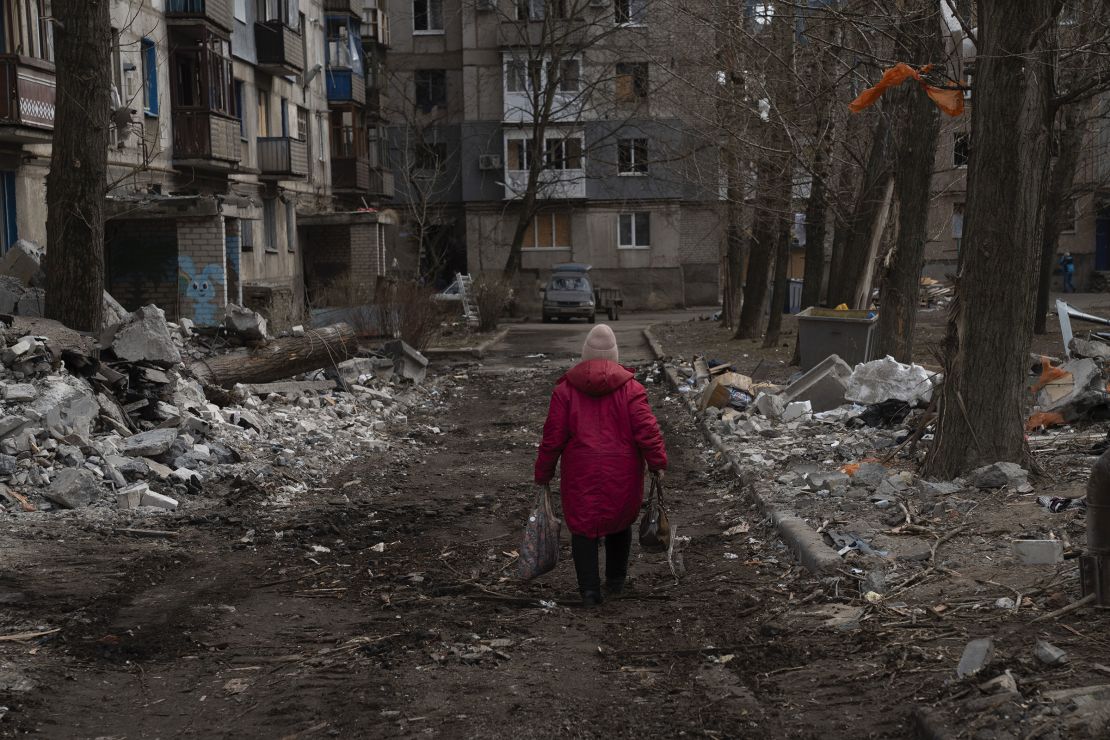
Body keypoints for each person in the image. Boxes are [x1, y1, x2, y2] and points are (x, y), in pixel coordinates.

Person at [534, 324, 668, 607]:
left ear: (585, 355)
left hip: (580, 473)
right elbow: (648, 431)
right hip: (623, 472)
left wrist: (543, 473)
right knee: (620, 522)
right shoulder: (632, 389)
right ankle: (616, 582)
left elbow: (552, 438)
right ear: (615, 355)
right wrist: (657, 463)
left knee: (582, 529)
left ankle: (589, 592)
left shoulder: (565, 391)